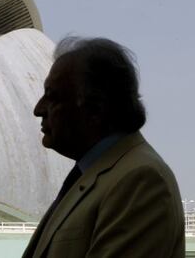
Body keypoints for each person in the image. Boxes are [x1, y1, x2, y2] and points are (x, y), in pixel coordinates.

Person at [23, 36, 185, 258]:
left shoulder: (140, 180)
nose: (38, 109)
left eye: (52, 97)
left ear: (95, 109)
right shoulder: (95, 176)